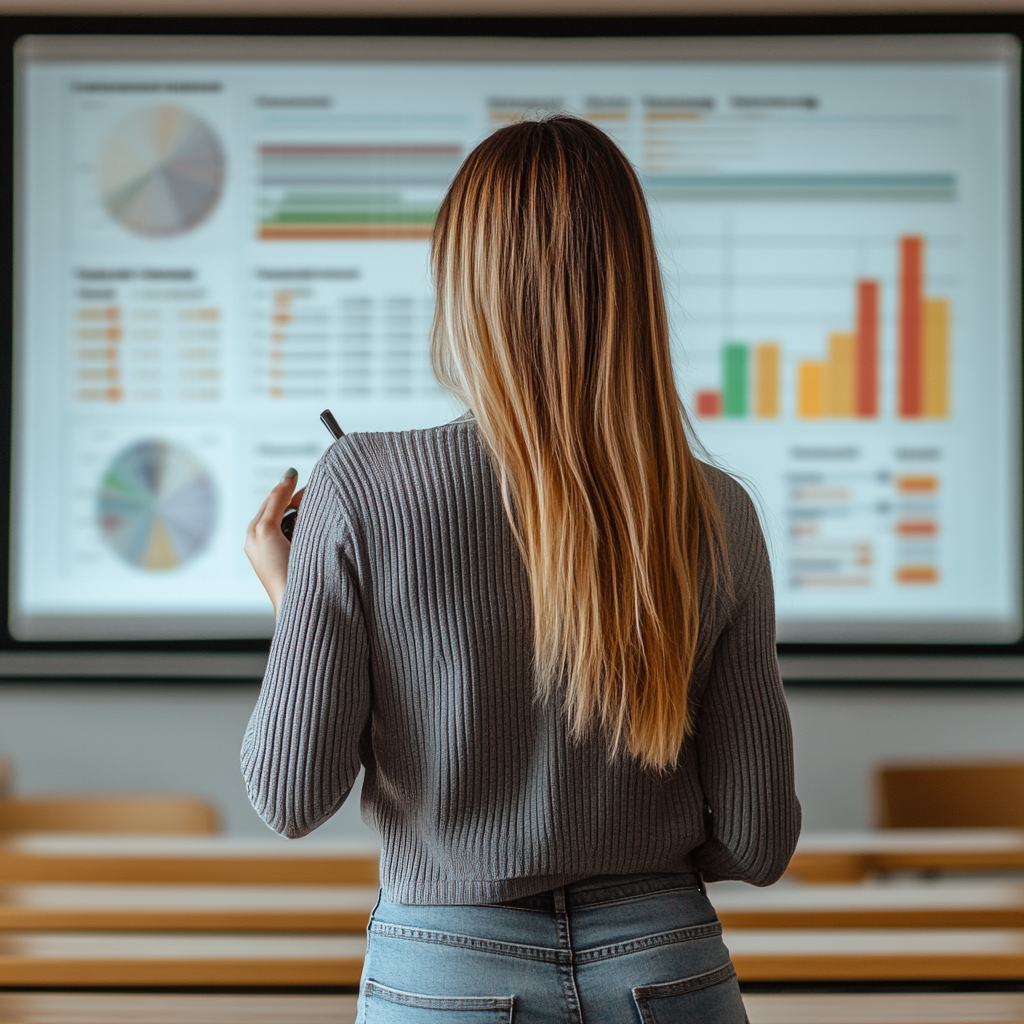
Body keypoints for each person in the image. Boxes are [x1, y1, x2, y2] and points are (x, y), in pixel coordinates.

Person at [242, 115, 800, 1023]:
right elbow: (758, 839)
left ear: (461, 285)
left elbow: (289, 794)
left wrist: (291, 597)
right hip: (666, 964)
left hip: (444, 973)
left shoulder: (362, 485)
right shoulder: (717, 512)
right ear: (633, 285)